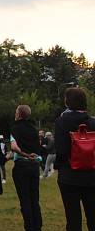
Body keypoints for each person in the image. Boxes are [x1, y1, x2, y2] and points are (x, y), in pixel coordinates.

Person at [53, 87, 95, 230]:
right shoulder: (93, 123)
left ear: (68, 102)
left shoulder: (61, 122)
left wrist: (58, 166)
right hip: (91, 175)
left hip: (69, 175)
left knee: (73, 218)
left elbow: (61, 150)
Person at [10, 104, 43, 231]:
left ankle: (29, 227)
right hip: (34, 166)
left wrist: (25, 154)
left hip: (22, 165)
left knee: (25, 199)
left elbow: (14, 147)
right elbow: (38, 146)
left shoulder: (15, 128)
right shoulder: (34, 129)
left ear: (18, 114)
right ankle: (38, 226)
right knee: (35, 198)